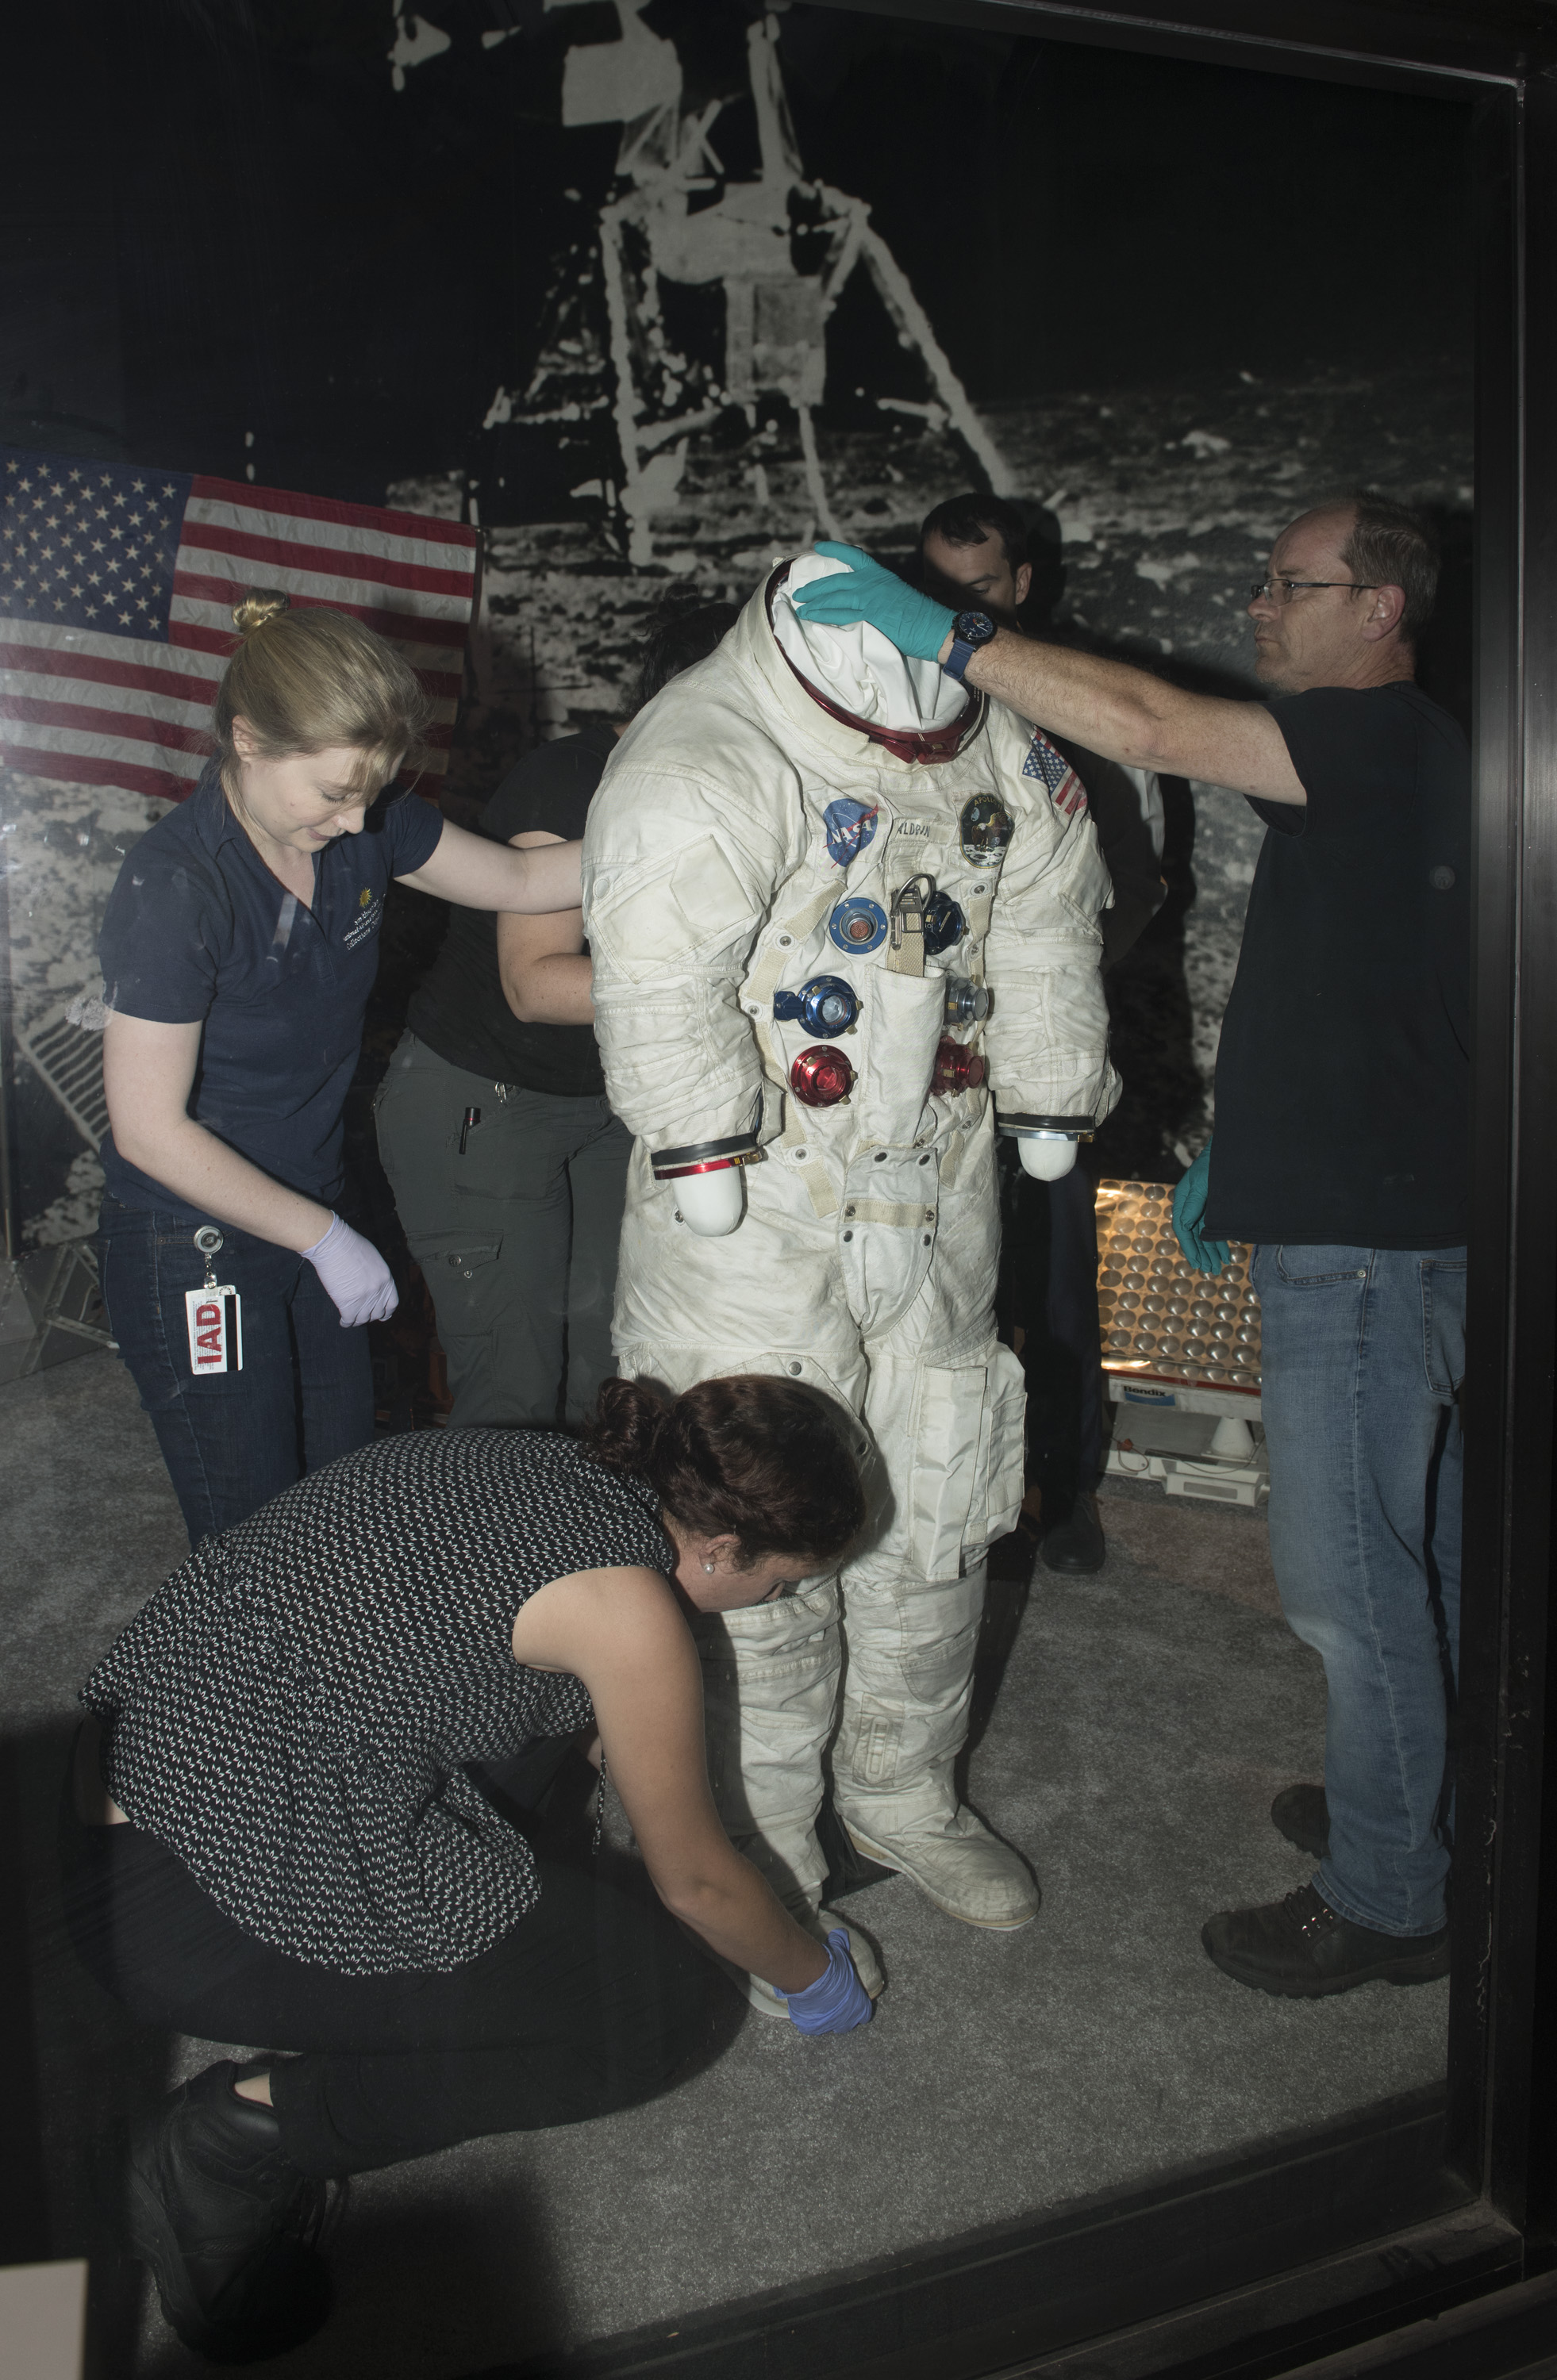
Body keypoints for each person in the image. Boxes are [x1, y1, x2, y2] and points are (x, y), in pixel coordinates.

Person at [793, 494, 1467, 1998]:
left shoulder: (1373, 734)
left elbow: (1152, 726)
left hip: (1362, 1247)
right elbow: (1397, 995)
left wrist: (943, 633)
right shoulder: (1408, 759)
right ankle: (1418, 1807)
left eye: (1290, 584)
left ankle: (1391, 1893)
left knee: (1350, 1587)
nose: (1258, 605)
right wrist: (1257, 1152)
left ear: (1378, 609)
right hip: (1375, 1209)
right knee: (1423, 1550)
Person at [67, 1372, 873, 2363]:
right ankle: (230, 2139)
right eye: (781, 1582)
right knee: (657, 2010)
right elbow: (695, 1884)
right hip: (182, 1906)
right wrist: (812, 1973)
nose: (775, 1601)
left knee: (562, 1813)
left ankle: (423, 1986)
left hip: (116, 1788)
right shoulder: (628, 1610)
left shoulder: (547, 1462)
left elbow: (551, 1710)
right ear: (721, 1546)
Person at [581, 547, 1120, 1979]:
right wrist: (699, 1138)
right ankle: (759, 1857)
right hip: (750, 1206)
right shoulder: (711, 746)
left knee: (939, 1496)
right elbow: (655, 961)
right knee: (746, 1530)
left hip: (934, 1184)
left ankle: (901, 1790)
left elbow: (1049, 910)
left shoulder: (994, 739)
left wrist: (1051, 1090)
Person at [95, 591, 582, 1548]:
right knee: (251, 1534)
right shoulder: (176, 886)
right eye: (333, 792)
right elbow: (147, 1130)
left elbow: (526, 880)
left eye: (373, 790)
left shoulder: (362, 824)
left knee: (341, 1505)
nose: (358, 818)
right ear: (248, 740)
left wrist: (696, 832)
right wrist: (323, 1238)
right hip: (193, 1237)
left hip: (311, 1205)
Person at [376, 595, 737, 1426]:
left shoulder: (723, 795)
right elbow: (535, 985)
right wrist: (734, 991)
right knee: (513, 1393)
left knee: (612, 1383)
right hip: (487, 1099)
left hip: (607, 1105)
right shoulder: (575, 777)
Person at [918, 495, 1167, 1574]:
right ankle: (942, 1490)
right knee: (930, 1271)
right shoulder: (905, 699)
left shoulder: (1080, 709)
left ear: (1020, 585)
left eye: (976, 590)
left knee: (1054, 1278)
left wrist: (1043, 1002)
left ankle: (1059, 1494)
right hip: (923, 1052)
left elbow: (1135, 889)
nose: (952, 611)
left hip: (1038, 1050)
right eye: (934, 589)